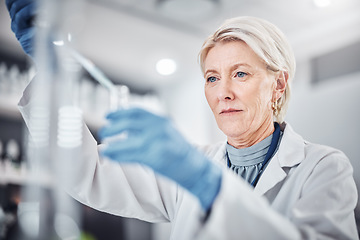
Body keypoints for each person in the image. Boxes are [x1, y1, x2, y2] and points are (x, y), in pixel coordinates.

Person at [6, 0, 359, 239]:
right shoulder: (190, 167)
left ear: (278, 84)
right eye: (212, 78)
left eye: (240, 74)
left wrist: (207, 184)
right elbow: (87, 173)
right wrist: (51, 73)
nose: (223, 92)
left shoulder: (323, 167)